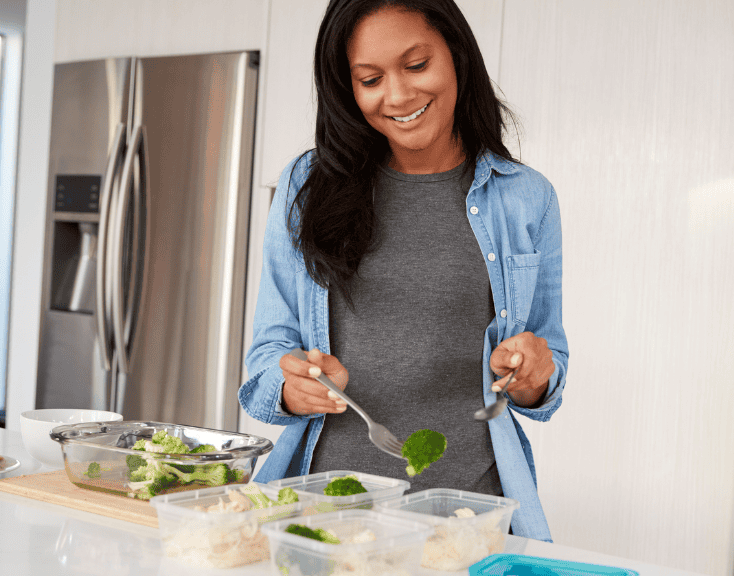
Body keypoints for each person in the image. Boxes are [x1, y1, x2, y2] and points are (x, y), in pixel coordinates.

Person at [239, 0, 568, 542]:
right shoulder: (307, 185)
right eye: (370, 78)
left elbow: (546, 366)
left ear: (456, 57)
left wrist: (535, 375)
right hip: (324, 515)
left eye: (416, 66)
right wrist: (291, 384)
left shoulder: (526, 198)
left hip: (470, 517)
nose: (397, 95)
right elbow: (264, 359)